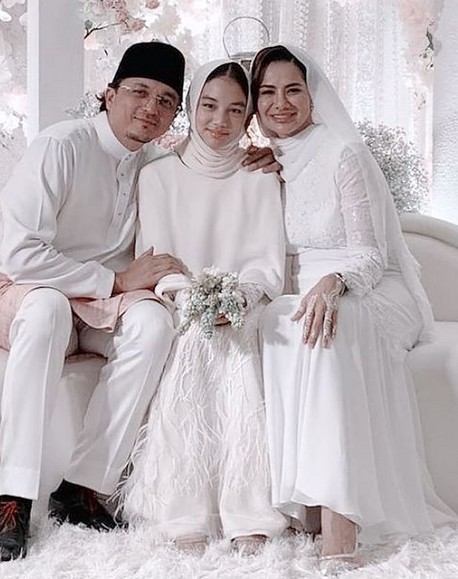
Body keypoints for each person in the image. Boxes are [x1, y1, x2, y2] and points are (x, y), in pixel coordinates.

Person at [250, 45, 458, 572]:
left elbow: (372, 253)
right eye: (267, 92)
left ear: (312, 94)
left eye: (293, 90)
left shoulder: (344, 153)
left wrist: (337, 282)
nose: (280, 103)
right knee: (275, 321)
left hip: (370, 285)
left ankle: (340, 530)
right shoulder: (268, 163)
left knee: (328, 330)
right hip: (303, 289)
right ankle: (303, 508)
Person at [0, 41, 188, 563]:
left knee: (154, 323)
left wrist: (262, 158)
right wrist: (115, 280)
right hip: (23, 295)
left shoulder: (160, 166)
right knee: (48, 307)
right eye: (140, 91)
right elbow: (20, 254)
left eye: (166, 100)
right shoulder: (62, 145)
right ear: (109, 93)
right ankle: (15, 500)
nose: (151, 107)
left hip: (96, 307)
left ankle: (83, 487)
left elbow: (214, 165)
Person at [122, 59, 288, 554]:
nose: (220, 120)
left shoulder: (261, 177)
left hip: (244, 305)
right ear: (192, 107)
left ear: (248, 117)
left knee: (235, 343)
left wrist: (239, 298)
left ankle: (248, 509)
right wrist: (193, 299)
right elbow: (157, 260)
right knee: (197, 338)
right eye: (210, 106)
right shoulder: (157, 176)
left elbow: (266, 263)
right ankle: (183, 508)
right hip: (181, 303)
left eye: (235, 110)